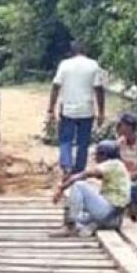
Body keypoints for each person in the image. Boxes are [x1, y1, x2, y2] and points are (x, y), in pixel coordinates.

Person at [51, 140, 130, 237]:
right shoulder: (119, 166)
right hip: (114, 219)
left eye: (97, 154)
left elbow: (84, 175)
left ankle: (70, 226)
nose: (95, 157)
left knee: (79, 185)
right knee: (76, 206)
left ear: (104, 155)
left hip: (108, 212)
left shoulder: (112, 164)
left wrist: (62, 188)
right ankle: (89, 224)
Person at [48, 41, 106, 174]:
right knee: (83, 142)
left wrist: (51, 108)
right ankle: (79, 170)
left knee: (65, 140)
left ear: (71, 52)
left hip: (68, 109)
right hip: (86, 109)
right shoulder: (93, 65)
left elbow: (56, 86)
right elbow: (99, 89)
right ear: (85, 51)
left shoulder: (64, 64)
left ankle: (66, 166)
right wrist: (101, 112)